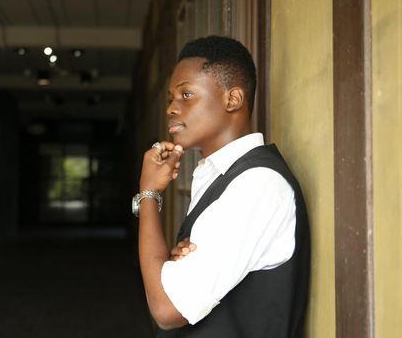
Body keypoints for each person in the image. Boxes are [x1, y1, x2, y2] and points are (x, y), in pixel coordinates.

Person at [133, 35, 310, 337]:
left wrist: (148, 194)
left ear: (233, 99)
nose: (171, 109)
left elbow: (166, 308)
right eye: (170, 99)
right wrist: (175, 269)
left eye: (186, 95)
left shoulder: (257, 184)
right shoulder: (218, 174)